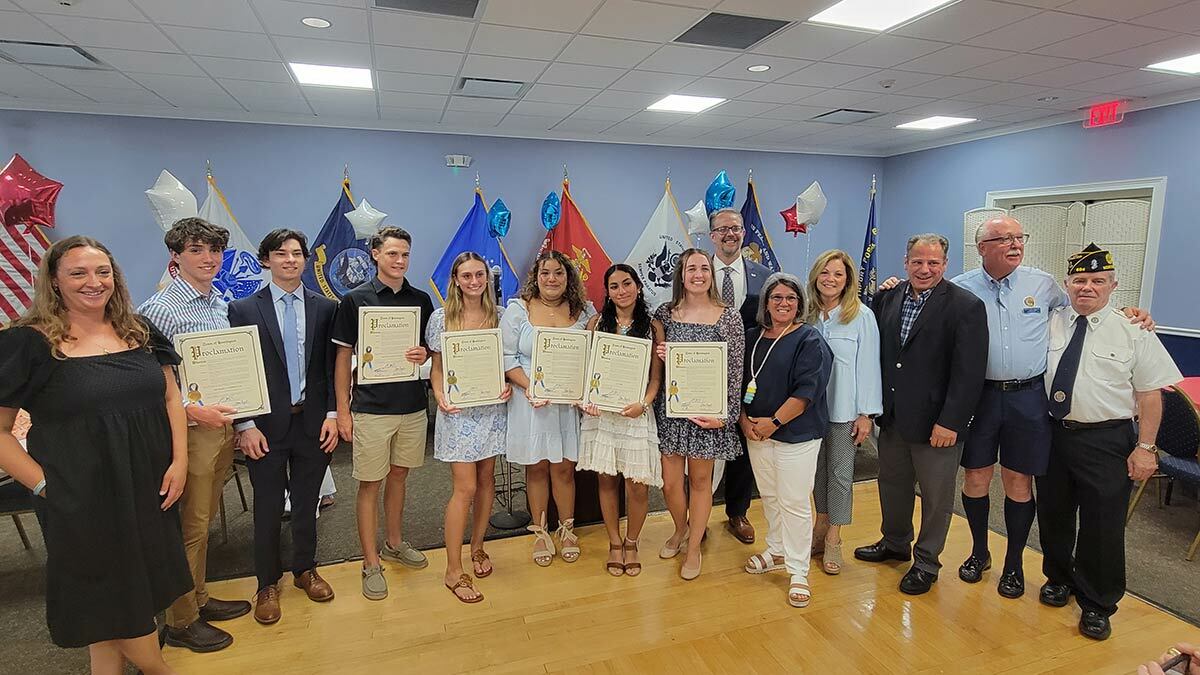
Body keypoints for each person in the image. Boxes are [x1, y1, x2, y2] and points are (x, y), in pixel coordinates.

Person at [0, 236, 191, 674]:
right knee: (116, 601)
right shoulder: (29, 343)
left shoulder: (139, 329)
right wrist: (45, 485)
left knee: (116, 617)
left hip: (149, 486)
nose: (94, 282)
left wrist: (179, 461)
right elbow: (1, 431)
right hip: (82, 499)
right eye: (78, 273)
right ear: (54, 280)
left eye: (102, 272)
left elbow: (169, 398)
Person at [949, 216, 1153, 599]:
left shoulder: (1041, 284)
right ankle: (980, 552)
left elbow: (1087, 306)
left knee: (1018, 481)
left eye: (1019, 237)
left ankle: (1013, 565)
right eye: (1004, 238)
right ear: (982, 247)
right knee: (975, 478)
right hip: (980, 396)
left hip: (1028, 398)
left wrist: (1131, 312)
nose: (1015, 244)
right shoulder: (960, 288)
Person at [1037, 244, 1181, 640]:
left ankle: (1098, 602)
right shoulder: (1049, 321)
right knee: (1054, 513)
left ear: (1113, 285)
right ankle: (1058, 578)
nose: (1087, 287)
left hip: (1107, 439)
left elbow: (1151, 394)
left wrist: (1146, 448)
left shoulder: (1133, 329)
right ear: (1066, 284)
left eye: (1097, 280)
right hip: (1052, 435)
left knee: (1103, 523)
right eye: (1079, 280)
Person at [854, 234, 988, 595]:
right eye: (917, 261)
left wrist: (952, 422)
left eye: (933, 263)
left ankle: (927, 562)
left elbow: (969, 373)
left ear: (945, 265)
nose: (925, 269)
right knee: (892, 485)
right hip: (895, 417)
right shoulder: (887, 298)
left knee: (935, 496)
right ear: (906, 262)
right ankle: (894, 542)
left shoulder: (966, 306)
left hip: (937, 425)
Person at [139, 217, 249, 652]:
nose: (209, 259)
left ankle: (199, 598)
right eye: (197, 250)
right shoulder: (160, 309)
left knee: (202, 522)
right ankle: (181, 620)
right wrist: (190, 410)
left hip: (220, 428)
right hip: (189, 432)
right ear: (176, 257)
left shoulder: (219, 303)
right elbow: (148, 381)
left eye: (214, 251)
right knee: (190, 526)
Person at [228, 229, 339, 624]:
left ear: (305, 260)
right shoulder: (242, 309)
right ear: (266, 260)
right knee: (268, 509)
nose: (290, 260)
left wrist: (331, 415)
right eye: (281, 253)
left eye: (296, 253)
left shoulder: (326, 308)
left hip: (312, 423)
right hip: (265, 429)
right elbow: (237, 371)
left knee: (308, 505)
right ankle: (266, 583)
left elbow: (330, 369)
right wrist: (244, 424)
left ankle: (305, 570)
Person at [331, 226, 434, 600]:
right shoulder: (354, 300)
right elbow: (342, 360)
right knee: (370, 484)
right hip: (371, 409)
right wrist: (343, 410)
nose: (400, 261)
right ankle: (370, 561)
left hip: (411, 406)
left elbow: (430, 352)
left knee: (400, 478)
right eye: (392, 254)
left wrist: (425, 355)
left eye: (405, 254)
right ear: (375, 254)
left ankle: (393, 542)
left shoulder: (421, 299)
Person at [739, 273, 832, 608]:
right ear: (765, 302)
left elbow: (808, 392)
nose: (783, 304)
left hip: (796, 435)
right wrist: (745, 422)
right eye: (776, 297)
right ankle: (776, 549)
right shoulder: (752, 337)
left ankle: (798, 570)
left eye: (790, 298)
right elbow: (737, 383)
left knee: (793, 500)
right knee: (770, 496)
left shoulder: (810, 340)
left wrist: (774, 422)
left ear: (800, 303)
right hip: (755, 432)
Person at [654, 248, 745, 580]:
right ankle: (682, 528)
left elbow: (735, 372)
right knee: (670, 483)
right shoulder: (665, 314)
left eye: (704, 268)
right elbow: (651, 360)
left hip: (708, 414)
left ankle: (693, 547)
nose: (698, 274)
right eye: (691, 268)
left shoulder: (728, 316)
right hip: (672, 412)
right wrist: (660, 351)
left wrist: (727, 416)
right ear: (681, 274)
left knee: (702, 481)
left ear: (712, 274)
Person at [427, 252, 511, 603]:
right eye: (467, 276)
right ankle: (452, 567)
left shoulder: (501, 317)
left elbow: (506, 364)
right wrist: (439, 395)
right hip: (459, 412)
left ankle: (478, 547)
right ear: (456, 279)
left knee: (487, 480)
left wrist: (506, 385)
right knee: (465, 488)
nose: (474, 281)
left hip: (492, 408)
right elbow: (437, 369)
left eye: (480, 275)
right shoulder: (440, 318)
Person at [503, 250, 594, 566]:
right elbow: (506, 359)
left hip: (567, 405)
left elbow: (595, 355)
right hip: (531, 402)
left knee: (564, 468)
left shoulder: (584, 312)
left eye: (558, 273)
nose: (552, 279)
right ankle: (540, 531)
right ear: (536, 277)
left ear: (568, 278)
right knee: (537, 467)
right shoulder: (518, 310)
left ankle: (566, 528)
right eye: (545, 273)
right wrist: (532, 386)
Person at [577, 264, 664, 577]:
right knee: (606, 480)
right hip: (604, 418)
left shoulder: (653, 327)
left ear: (638, 286)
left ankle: (632, 541)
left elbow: (656, 379)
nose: (622, 290)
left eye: (627, 283)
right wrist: (588, 399)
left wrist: (644, 403)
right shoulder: (595, 324)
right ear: (608, 292)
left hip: (636, 415)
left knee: (637, 486)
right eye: (614, 286)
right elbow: (586, 373)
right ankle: (614, 541)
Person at [804, 250, 881, 576]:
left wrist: (866, 414)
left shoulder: (861, 316)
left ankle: (834, 536)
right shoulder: (806, 314)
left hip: (844, 411)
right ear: (815, 277)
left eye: (837, 274)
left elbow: (868, 367)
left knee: (839, 475)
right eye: (825, 273)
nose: (830, 279)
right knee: (815, 474)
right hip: (807, 412)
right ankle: (819, 526)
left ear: (848, 279)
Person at [708, 208, 771, 545]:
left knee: (744, 444)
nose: (730, 234)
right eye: (722, 229)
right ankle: (697, 514)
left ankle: (737, 512)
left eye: (736, 228)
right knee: (703, 447)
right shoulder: (697, 272)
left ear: (744, 233)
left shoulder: (764, 275)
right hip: (704, 373)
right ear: (711, 235)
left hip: (750, 373)